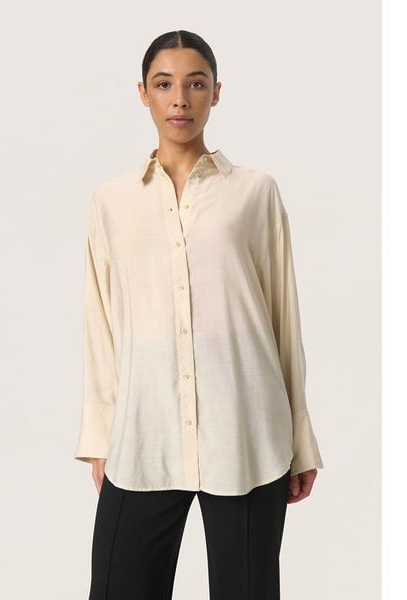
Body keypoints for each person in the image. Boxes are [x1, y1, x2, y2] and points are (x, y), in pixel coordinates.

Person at [74, 29, 324, 600]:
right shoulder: (112, 202)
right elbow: (99, 323)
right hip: (144, 435)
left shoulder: (255, 193)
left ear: (216, 92)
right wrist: (101, 434)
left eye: (195, 84)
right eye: (164, 85)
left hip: (247, 433)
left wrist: (300, 437)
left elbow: (284, 320)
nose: (180, 99)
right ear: (143, 94)